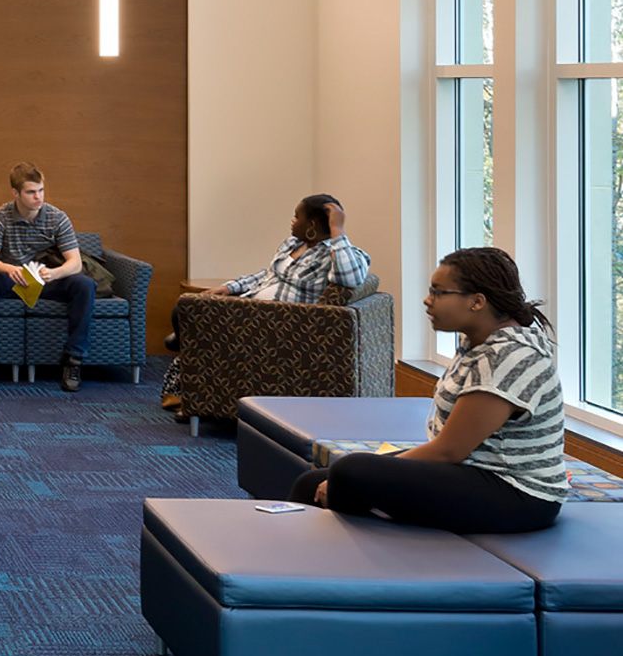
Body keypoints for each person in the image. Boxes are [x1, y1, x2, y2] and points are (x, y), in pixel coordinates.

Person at [289, 247, 565, 533]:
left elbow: (448, 451)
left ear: (477, 302)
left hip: (517, 493)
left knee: (350, 473)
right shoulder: (480, 342)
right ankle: (295, 558)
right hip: (474, 471)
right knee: (314, 481)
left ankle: (359, 559)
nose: (427, 300)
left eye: (438, 292)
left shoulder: (507, 358)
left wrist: (364, 474)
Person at [163, 193, 370, 354]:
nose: (292, 221)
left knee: (191, 308)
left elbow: (350, 278)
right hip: (252, 308)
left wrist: (338, 230)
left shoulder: (336, 254)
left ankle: (187, 347)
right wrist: (229, 287)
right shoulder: (293, 243)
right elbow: (267, 275)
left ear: (312, 225)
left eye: (297, 217)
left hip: (278, 321)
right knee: (188, 305)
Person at [0, 163, 95, 394]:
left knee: (85, 284)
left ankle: (74, 360)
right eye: (31, 192)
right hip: (12, 278)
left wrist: (55, 273)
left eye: (40, 191)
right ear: (16, 193)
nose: (37, 197)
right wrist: (9, 269)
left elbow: (75, 262)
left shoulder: (57, 217)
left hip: (46, 279)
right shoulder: (0, 217)